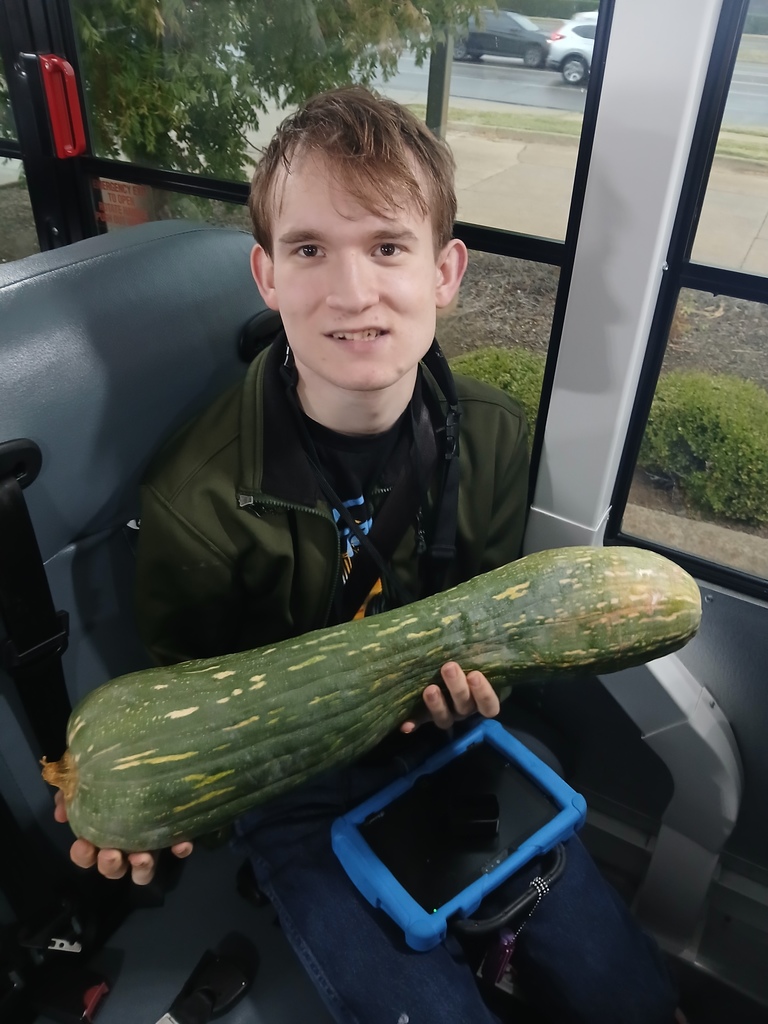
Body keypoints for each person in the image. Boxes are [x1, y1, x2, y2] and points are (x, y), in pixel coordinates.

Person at [55, 86, 681, 1024]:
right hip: (296, 794)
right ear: (267, 276)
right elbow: (194, 718)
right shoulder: (191, 498)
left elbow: (510, 639)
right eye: (310, 249)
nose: (352, 292)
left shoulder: (496, 435)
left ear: (445, 270)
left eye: (389, 245)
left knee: (629, 998)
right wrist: (158, 817)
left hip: (456, 747)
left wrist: (488, 693)